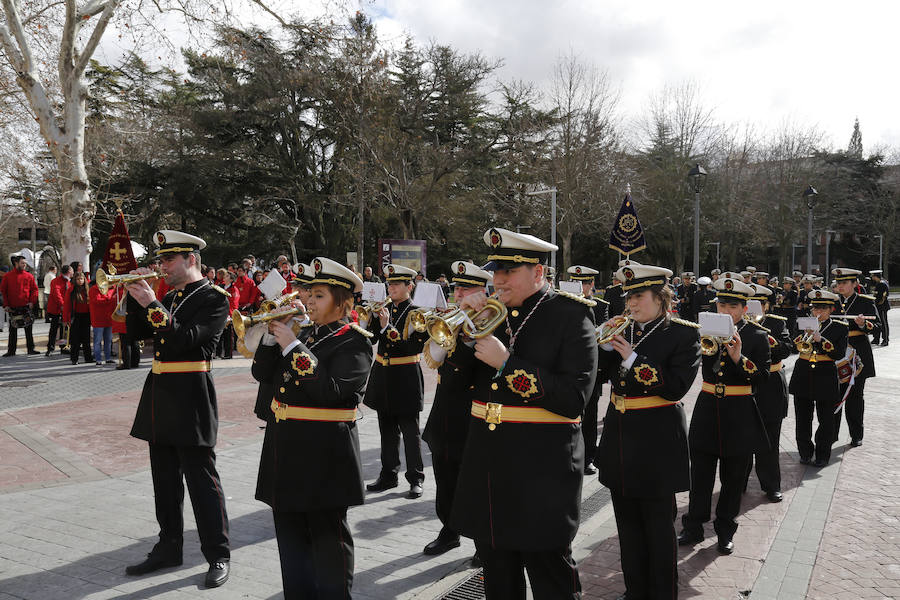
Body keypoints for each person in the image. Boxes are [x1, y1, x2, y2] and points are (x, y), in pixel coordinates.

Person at [450, 227, 597, 600]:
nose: (497, 279)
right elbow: (454, 384)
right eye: (495, 270)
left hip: (542, 471)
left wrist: (507, 365)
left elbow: (573, 399)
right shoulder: (491, 314)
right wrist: (464, 334)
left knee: (551, 576)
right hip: (489, 466)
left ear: (538, 273)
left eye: (508, 271)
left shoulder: (571, 316)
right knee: (498, 579)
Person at [251, 257, 372, 598]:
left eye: (319, 295)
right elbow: (262, 375)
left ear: (342, 301)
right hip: (285, 451)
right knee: (291, 545)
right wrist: (274, 339)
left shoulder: (355, 342)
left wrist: (291, 343)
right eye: (308, 293)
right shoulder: (303, 335)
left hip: (325, 459)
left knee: (328, 545)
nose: (308, 301)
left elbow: (331, 391)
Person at [123, 230, 231, 588]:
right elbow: (141, 335)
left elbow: (185, 341)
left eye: (169, 259)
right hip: (161, 395)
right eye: (161, 259)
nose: (162, 266)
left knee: (202, 481)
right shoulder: (171, 295)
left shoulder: (215, 298)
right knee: (164, 481)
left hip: (192, 395)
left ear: (191, 260)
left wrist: (154, 305)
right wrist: (136, 301)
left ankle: (218, 553)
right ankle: (168, 545)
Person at [596, 261, 700, 600]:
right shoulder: (624, 329)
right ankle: (634, 591)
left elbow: (676, 388)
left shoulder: (683, 333)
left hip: (656, 442)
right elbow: (597, 378)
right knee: (626, 527)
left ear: (660, 297)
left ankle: (662, 593)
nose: (631, 304)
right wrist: (601, 347)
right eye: (628, 297)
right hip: (620, 437)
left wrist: (632, 360)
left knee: (657, 528)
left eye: (639, 296)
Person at [679, 274, 769, 555]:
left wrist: (738, 358)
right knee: (701, 475)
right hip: (708, 409)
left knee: (732, 481)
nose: (726, 312)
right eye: (721, 307)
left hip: (739, 415)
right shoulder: (706, 331)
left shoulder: (757, 335)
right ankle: (693, 525)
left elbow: (763, 378)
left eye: (732, 307)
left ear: (744, 309)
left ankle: (725, 530)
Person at [421, 261, 493, 558]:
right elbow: (434, 355)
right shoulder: (452, 319)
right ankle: (449, 530)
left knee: (475, 485)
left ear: (481, 292)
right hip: (446, 414)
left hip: (475, 416)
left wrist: (474, 326)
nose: (459, 294)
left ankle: (482, 542)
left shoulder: (494, 320)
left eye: (465, 289)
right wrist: (454, 324)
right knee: (446, 480)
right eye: (457, 288)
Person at [363, 263, 430, 499]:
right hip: (384, 374)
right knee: (386, 430)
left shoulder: (418, 313)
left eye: (395, 284)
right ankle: (388, 475)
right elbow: (371, 340)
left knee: (410, 431)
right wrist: (370, 318)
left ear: (409, 286)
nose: (390, 288)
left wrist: (386, 327)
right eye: (389, 283)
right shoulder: (385, 308)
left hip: (406, 376)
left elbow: (413, 346)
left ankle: (416, 478)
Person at [744, 284, 792, 502]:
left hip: (771, 383)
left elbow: (787, 349)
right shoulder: (739, 324)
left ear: (767, 305)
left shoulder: (776, 322)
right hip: (745, 383)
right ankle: (739, 482)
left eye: (760, 304)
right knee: (742, 436)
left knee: (770, 439)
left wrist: (769, 339)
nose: (754, 309)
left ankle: (771, 485)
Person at [789, 289, 847, 467]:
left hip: (825, 374)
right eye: (815, 309)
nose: (817, 312)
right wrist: (801, 338)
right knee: (803, 417)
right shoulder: (803, 323)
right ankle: (805, 452)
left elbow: (838, 354)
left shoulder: (839, 327)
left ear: (831, 310)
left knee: (826, 419)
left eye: (822, 309)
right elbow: (792, 348)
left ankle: (822, 454)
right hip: (803, 372)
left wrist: (821, 340)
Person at [567, 264, 608, 475]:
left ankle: (589, 457)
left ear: (591, 284)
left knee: (590, 416)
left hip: (593, 370)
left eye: (583, 283)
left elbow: (605, 336)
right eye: (575, 282)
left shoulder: (600, 306)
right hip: (568, 369)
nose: (579, 286)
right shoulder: (562, 304)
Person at [832, 268, 879, 447]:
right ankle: (831, 435)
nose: (840, 286)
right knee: (833, 395)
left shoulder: (865, 302)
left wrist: (864, 324)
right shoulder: (831, 302)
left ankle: (856, 434)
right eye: (839, 283)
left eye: (844, 283)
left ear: (855, 284)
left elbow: (878, 327)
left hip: (858, 353)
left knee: (855, 397)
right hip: (835, 352)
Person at [1, 255, 40, 356]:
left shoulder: (29, 276)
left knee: (28, 329)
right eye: (22, 263)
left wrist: (32, 301)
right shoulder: (7, 276)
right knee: (12, 330)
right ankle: (11, 351)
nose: (24, 265)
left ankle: (31, 349)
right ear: (16, 263)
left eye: (25, 263)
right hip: (13, 308)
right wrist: (6, 305)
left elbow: (35, 290)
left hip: (26, 307)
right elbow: (3, 292)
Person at [63, 271, 93, 364]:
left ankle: (88, 358)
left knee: (86, 339)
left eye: (81, 279)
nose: (80, 281)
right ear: (74, 280)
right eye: (78, 279)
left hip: (86, 316)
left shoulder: (88, 290)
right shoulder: (71, 290)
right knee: (75, 340)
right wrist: (66, 319)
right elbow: (67, 306)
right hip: (75, 317)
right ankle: (74, 359)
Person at [89, 277, 116, 365]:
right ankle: (98, 359)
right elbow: (97, 300)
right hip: (98, 319)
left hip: (108, 318)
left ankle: (108, 358)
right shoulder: (93, 289)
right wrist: (110, 299)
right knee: (98, 340)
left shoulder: (112, 288)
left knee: (108, 340)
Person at [45, 265, 72, 356]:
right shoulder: (55, 281)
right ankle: (50, 348)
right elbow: (57, 294)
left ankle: (64, 346)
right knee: (54, 329)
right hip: (56, 309)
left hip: (66, 309)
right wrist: (63, 305)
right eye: (71, 271)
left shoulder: (69, 282)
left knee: (65, 330)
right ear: (68, 271)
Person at [217, 271, 240, 359]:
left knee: (228, 336)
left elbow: (234, 303)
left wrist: (229, 315)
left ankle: (228, 354)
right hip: (220, 313)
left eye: (227, 276)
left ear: (231, 279)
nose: (224, 277)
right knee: (219, 334)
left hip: (228, 315)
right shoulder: (220, 287)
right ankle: (218, 353)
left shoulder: (234, 289)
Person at [870, 270, 890, 346]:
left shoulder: (881, 284)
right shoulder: (881, 283)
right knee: (878, 322)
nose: (872, 278)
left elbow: (882, 297)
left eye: (873, 277)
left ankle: (885, 339)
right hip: (879, 306)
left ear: (876, 276)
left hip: (881, 306)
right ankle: (876, 338)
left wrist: (877, 303)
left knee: (883, 323)